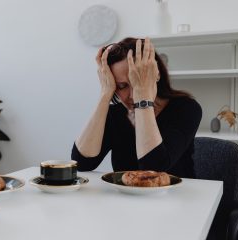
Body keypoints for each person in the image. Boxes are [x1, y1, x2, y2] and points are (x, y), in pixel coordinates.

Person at [71, 37, 202, 178]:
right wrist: (105, 93)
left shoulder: (186, 108)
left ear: (155, 74)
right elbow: (81, 163)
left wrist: (143, 96)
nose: (132, 95)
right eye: (122, 86)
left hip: (178, 197)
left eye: (137, 80)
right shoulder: (115, 114)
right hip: (126, 198)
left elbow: (153, 170)